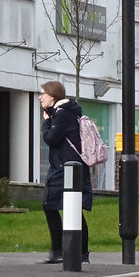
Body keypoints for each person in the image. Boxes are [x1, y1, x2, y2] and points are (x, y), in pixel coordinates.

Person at [39, 80, 92, 264]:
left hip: (65, 168)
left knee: (55, 206)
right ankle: (76, 251)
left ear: (52, 96)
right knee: (69, 208)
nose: (40, 97)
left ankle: (62, 251)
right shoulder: (66, 113)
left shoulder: (62, 115)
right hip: (67, 167)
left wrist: (46, 123)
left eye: (43, 93)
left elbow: (51, 138)